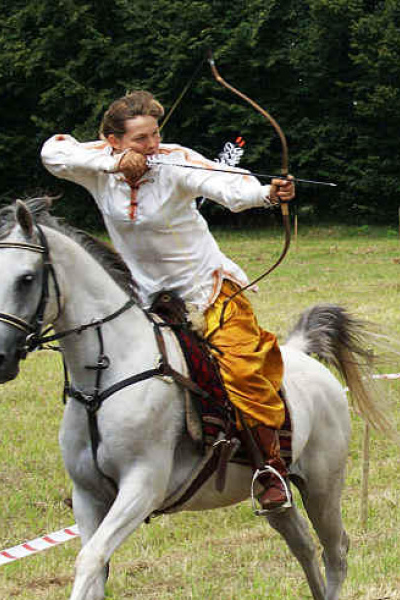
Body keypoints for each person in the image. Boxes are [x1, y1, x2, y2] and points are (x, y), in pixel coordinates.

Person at [41, 90, 295, 513]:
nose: (152, 145)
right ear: (113, 140)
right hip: (143, 297)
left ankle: (270, 469)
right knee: (103, 370)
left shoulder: (175, 161)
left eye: (155, 134)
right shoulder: (100, 166)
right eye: (140, 139)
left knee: (244, 370)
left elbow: (222, 183)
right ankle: (103, 468)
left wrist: (266, 193)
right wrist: (113, 163)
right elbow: (54, 152)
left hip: (205, 291)